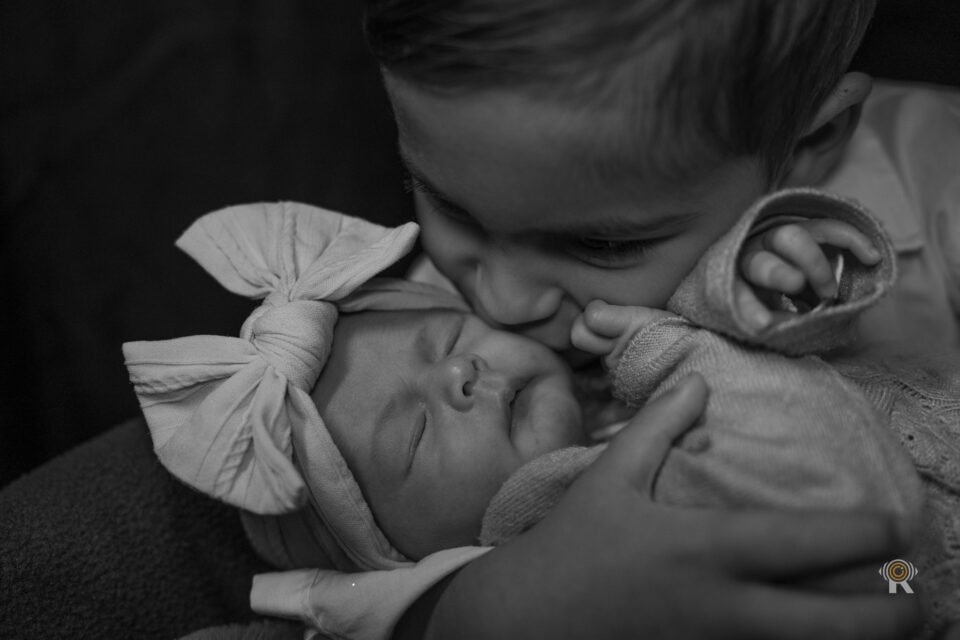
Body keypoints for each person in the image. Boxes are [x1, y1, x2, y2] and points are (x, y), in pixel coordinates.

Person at [357, 1, 960, 637]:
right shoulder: (416, 338)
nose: (501, 299)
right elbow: (334, 562)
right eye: (449, 206)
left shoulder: (942, 185)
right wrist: (467, 608)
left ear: (809, 143)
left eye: (603, 245)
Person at [125, 200, 950, 639]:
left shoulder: (606, 338)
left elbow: (738, 320)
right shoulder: (546, 561)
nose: (457, 375)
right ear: (404, 555)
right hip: (894, 587)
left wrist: (761, 272)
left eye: (445, 338)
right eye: (413, 436)